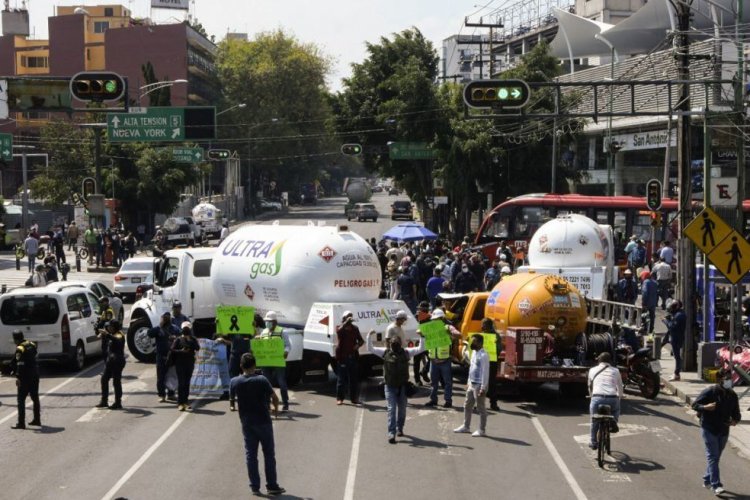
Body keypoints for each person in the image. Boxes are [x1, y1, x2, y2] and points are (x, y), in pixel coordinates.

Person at [230, 353, 285, 496]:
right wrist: (276, 412)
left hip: (247, 423)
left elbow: (232, 402)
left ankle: (255, 486)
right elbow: (275, 398)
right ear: (255, 365)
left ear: (241, 366)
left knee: (251, 455)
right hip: (264, 421)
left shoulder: (235, 382)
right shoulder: (262, 380)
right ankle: (272, 485)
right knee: (268, 454)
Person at [366, 329, 425, 443]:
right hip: (389, 387)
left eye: (397, 344)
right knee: (391, 409)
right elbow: (370, 349)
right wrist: (369, 336)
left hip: (403, 387)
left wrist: (421, 337)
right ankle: (391, 433)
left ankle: (399, 428)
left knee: (402, 410)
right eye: (393, 344)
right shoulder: (385, 352)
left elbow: (420, 349)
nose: (395, 345)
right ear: (390, 344)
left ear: (401, 344)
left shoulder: (407, 352)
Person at [691, 369, 741, 496]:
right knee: (713, 456)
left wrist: (735, 420)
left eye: (730, 378)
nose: (729, 381)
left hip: (724, 430)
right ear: (720, 379)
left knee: (716, 457)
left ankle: (707, 479)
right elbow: (695, 405)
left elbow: (737, 413)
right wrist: (705, 407)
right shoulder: (710, 391)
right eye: (727, 378)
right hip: (709, 428)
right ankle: (716, 485)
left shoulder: (732, 395)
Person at [454, 334, 490, 437]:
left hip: (479, 385)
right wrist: (468, 381)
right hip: (472, 384)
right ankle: (466, 426)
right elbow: (471, 368)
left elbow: (485, 373)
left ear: (479, 343)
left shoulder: (484, 355)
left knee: (480, 408)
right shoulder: (474, 352)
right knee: (467, 405)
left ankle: (482, 430)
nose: (471, 343)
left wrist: (483, 387)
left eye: (474, 341)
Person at [424, 309, 461, 408]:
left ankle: (448, 401)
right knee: (433, 382)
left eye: (436, 319)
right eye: (434, 319)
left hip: (445, 360)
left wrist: (449, 333)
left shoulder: (448, 327)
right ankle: (433, 400)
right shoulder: (431, 328)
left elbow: (458, 334)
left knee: (447, 382)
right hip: (433, 360)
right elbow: (419, 331)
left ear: (442, 319)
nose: (434, 321)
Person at [587, 352, 623, 450]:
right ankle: (614, 421)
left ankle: (593, 442)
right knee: (616, 410)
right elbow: (619, 386)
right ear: (610, 361)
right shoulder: (616, 371)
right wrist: (620, 396)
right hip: (612, 397)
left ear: (599, 360)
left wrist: (591, 396)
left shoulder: (592, 370)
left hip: (597, 397)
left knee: (594, 420)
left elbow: (590, 386)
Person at [259, 311, 291, 412]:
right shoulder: (263, 332)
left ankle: (285, 404)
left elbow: (288, 345)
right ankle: (267, 404)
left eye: (269, 321)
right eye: (266, 321)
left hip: (278, 361)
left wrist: (286, 352)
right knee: (266, 383)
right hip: (266, 361)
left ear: (275, 322)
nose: (267, 323)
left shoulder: (282, 331)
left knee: (281, 383)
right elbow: (260, 345)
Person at [10, 330, 41, 429]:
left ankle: (21, 423)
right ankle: (37, 419)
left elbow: (20, 364)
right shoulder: (31, 344)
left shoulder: (20, 348)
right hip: (35, 375)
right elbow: (34, 356)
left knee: (21, 400)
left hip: (25, 377)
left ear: (15, 339)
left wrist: (18, 377)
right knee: (35, 398)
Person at [335, 311, 364, 405]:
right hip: (343, 358)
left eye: (350, 317)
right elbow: (339, 331)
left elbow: (361, 340)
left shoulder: (355, 329)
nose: (350, 319)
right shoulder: (340, 328)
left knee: (354, 380)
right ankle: (340, 398)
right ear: (344, 318)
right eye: (348, 317)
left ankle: (354, 399)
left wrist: (357, 345)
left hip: (353, 357)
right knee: (341, 380)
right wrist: (346, 322)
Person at [148, 312, 179, 402]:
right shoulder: (158, 329)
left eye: (166, 318)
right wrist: (159, 326)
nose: (165, 320)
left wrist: (175, 337)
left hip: (171, 356)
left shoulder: (174, 328)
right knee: (161, 377)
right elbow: (149, 333)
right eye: (164, 318)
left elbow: (181, 336)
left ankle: (171, 394)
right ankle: (162, 395)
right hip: (161, 356)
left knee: (171, 375)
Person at [96, 320, 126, 410]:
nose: (109, 328)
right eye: (108, 327)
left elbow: (117, 340)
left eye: (111, 326)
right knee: (104, 379)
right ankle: (104, 401)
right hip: (110, 361)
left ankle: (118, 402)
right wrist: (102, 335)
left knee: (116, 381)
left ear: (115, 327)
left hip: (118, 361)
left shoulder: (119, 334)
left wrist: (107, 335)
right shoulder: (111, 334)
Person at [170, 321, 201, 411]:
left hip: (189, 363)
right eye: (185, 329)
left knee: (187, 383)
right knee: (181, 383)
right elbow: (172, 349)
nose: (186, 330)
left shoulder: (193, 339)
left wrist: (189, 339)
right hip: (180, 364)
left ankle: (186, 402)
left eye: (188, 329)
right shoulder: (178, 339)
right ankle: (180, 403)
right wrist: (181, 351)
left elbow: (197, 348)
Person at [480, 318, 501, 411]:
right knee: (480, 383)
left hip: (491, 362)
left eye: (484, 324)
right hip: (481, 363)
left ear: (489, 325)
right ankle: (480, 403)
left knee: (492, 383)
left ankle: (493, 403)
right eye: (482, 324)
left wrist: (494, 345)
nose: (482, 326)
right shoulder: (480, 335)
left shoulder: (496, 336)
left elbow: (499, 350)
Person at [663, 300, 686, 381]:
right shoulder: (678, 314)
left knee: (677, 356)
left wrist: (666, 321)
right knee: (675, 355)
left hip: (677, 338)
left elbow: (672, 326)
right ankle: (676, 372)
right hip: (675, 337)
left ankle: (677, 373)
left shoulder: (679, 315)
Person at [413, 302, 432, 385]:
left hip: (427, 341)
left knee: (431, 358)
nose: (424, 311)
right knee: (416, 362)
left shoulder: (430, 318)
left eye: (425, 309)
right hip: (417, 342)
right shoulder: (415, 318)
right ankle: (417, 380)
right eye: (422, 309)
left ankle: (424, 372)